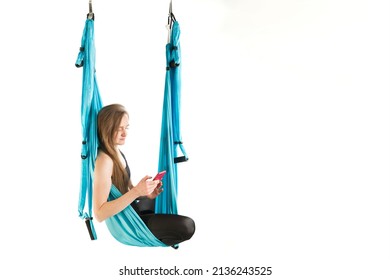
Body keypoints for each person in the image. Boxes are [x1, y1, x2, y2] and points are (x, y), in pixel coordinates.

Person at [93, 103, 195, 246]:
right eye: (119, 128)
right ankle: (153, 236)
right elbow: (99, 214)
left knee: (163, 199)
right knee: (187, 226)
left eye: (126, 128)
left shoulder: (116, 151)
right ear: (106, 129)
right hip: (129, 226)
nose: (125, 133)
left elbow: (124, 192)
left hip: (133, 210)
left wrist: (145, 194)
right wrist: (136, 192)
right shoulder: (104, 160)